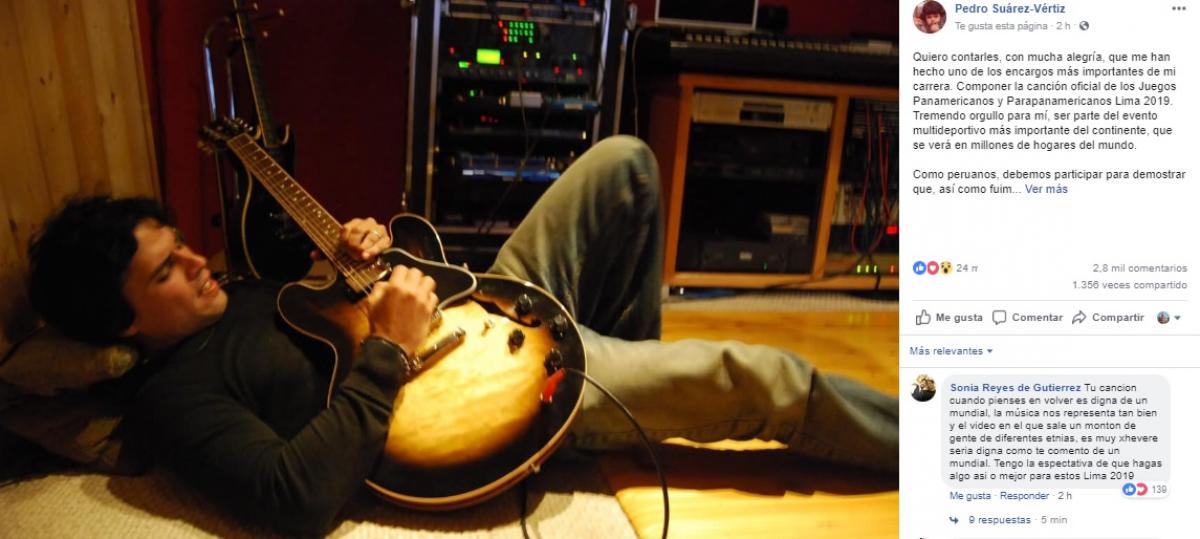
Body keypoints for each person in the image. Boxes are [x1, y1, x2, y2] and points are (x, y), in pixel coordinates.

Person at [27, 136, 898, 534]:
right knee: (761, 375)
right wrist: (389, 348)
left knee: (624, 162)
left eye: (182, 242)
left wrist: (358, 254)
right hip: (467, 388)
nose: (196, 260)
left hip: (478, 307)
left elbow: (335, 305)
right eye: (165, 270)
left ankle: (617, 383)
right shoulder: (176, 398)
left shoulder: (236, 289)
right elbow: (289, 499)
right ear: (123, 321)